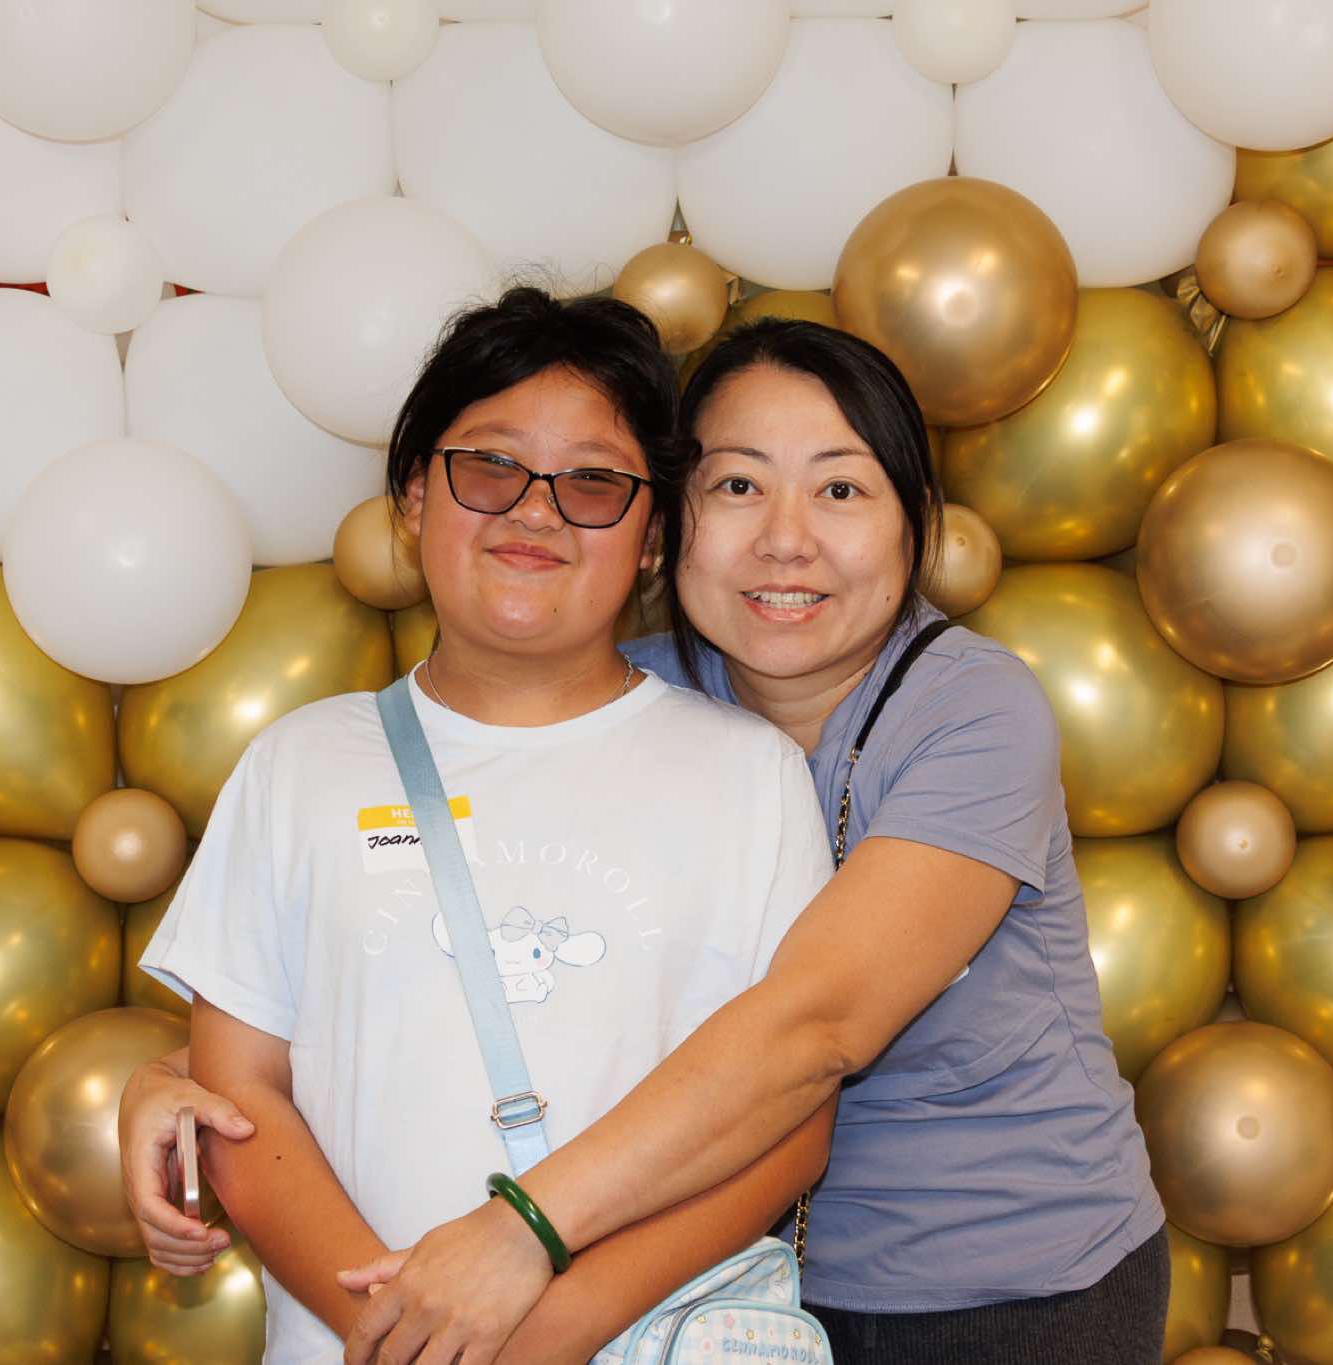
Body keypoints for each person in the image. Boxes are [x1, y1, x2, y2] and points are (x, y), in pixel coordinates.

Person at [125, 318, 1170, 1365]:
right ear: (677, 522)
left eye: (841, 489)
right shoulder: (611, 690)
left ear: (914, 522)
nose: (786, 538)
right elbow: (390, 974)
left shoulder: (967, 713)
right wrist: (184, 1078)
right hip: (742, 1301)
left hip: (1002, 1281)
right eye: (738, 484)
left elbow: (811, 1029)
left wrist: (520, 1244)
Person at [133, 287, 839, 1364]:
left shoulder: (751, 776)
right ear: (415, 496)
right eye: (490, 466)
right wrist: (402, 1342)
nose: (534, 511)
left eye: (593, 482)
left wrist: (545, 1336)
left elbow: (787, 1129)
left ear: (653, 536)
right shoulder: (299, 764)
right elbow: (238, 1097)